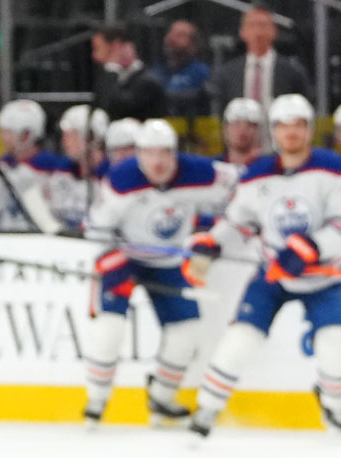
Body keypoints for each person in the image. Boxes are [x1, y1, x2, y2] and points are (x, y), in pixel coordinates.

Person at [182, 94, 341, 439]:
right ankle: (207, 408)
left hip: (323, 277)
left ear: (309, 130)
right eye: (284, 126)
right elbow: (238, 222)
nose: (291, 132)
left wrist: (310, 248)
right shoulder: (256, 176)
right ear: (274, 131)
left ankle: (336, 407)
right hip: (273, 274)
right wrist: (212, 242)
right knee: (240, 338)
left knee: (335, 345)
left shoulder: (336, 170)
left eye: (298, 125)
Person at [81, 119, 238, 426]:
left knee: (187, 334)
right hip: (126, 258)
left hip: (169, 262)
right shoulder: (121, 179)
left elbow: (244, 191)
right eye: (150, 154)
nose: (158, 162)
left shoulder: (203, 172)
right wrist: (110, 257)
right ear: (138, 155)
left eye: (165, 153)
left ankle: (163, 397)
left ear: (175, 153)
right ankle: (96, 399)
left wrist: (213, 233)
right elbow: (96, 228)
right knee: (110, 328)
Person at [0, 99, 76, 233]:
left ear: (25, 135)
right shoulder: (3, 166)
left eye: (7, 132)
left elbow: (61, 217)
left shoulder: (55, 169)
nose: (1, 137)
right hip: (5, 244)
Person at [207, 5, 310, 117]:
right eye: (252, 26)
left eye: (263, 25)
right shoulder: (226, 74)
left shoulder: (292, 73)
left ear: (274, 30)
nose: (258, 32)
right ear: (242, 32)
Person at [93, 26, 167, 121]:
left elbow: (116, 109)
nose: (94, 56)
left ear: (115, 46)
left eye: (97, 48)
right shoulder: (109, 78)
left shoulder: (147, 82)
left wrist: (112, 66)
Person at [56, 104, 109, 229]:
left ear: (90, 138)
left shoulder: (112, 178)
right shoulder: (63, 171)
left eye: (70, 136)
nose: (64, 142)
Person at [154, 19, 211, 117]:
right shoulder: (155, 71)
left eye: (179, 35)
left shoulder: (201, 73)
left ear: (194, 44)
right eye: (170, 33)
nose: (171, 38)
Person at [218, 97, 264, 170]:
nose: (242, 130)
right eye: (236, 123)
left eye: (250, 124)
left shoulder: (270, 168)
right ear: (226, 127)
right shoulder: (214, 167)